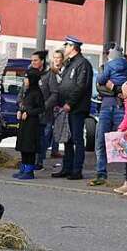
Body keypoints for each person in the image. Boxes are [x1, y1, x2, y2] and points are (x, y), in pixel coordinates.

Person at [90, 46, 127, 186]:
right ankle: (101, 173)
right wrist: (120, 90)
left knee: (124, 141)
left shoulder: (124, 67)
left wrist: (115, 87)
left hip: (119, 105)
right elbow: (99, 88)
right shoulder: (104, 67)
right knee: (101, 140)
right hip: (108, 106)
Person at [52, 36, 93, 180]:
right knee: (67, 140)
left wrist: (70, 102)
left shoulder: (83, 64)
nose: (65, 48)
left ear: (73, 47)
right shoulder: (70, 63)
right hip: (67, 107)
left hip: (76, 107)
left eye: (67, 45)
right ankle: (67, 167)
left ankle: (77, 170)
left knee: (77, 139)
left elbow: (81, 86)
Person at [13, 67, 45, 180]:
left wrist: (29, 112)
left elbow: (41, 108)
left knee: (29, 147)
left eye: (27, 78)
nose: (25, 81)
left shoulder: (37, 92)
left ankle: (29, 170)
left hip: (32, 124)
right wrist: (20, 111)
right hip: (24, 123)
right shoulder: (27, 91)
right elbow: (24, 105)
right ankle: (23, 168)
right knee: (23, 146)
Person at [47, 49, 66, 161]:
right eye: (55, 57)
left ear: (62, 59)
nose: (57, 60)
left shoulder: (64, 71)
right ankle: (44, 150)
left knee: (58, 128)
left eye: (59, 57)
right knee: (48, 128)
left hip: (60, 105)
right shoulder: (50, 71)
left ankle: (55, 150)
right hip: (50, 104)